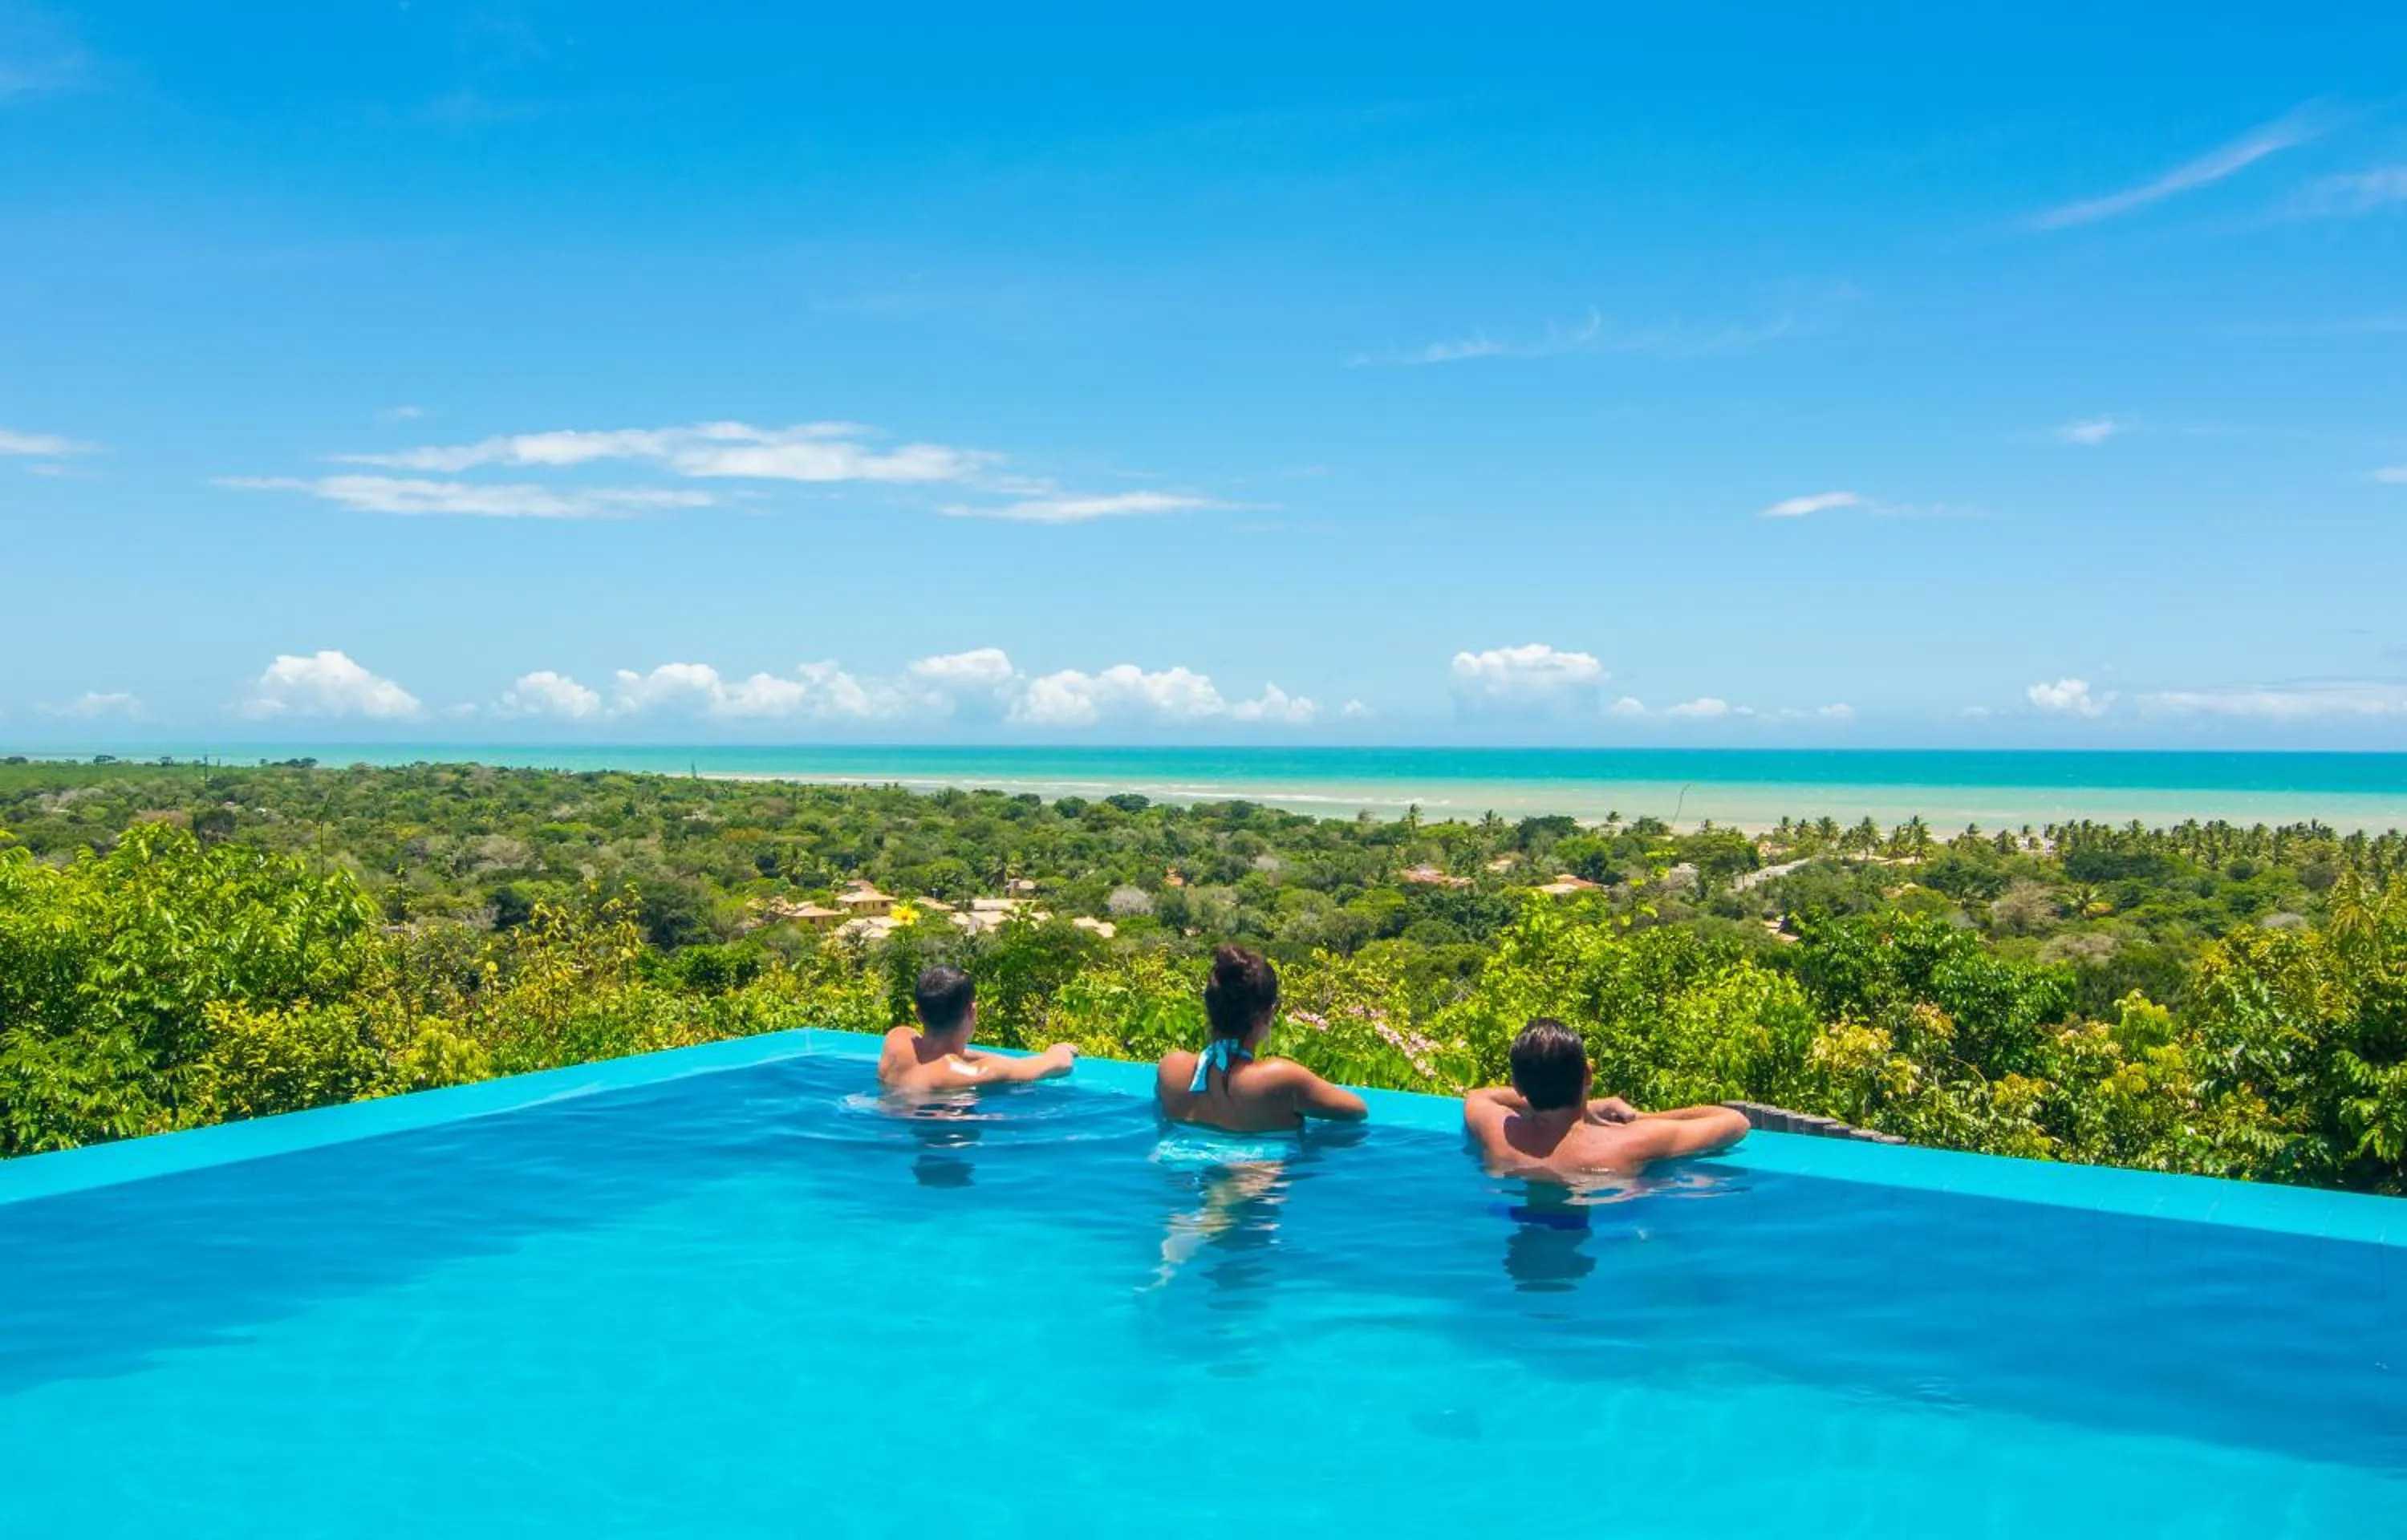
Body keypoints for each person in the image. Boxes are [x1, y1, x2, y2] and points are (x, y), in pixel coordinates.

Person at [1462, 1017, 1747, 1181]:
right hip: (1614, 1224)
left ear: (1518, 1086)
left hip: (1513, 1219)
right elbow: (1735, 1123)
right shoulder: (1631, 1141)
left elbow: (1479, 1095)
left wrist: (1590, 1108)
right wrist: (1640, 1119)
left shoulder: (1500, 1135)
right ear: (1587, 1075)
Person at [1154, 945, 1367, 1132]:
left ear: (1210, 1009)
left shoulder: (1171, 1068)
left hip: (1180, 1169)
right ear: (1267, 1015)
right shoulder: (1281, 1078)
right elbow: (1357, 1111)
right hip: (1253, 1172)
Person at [878, 965, 1078, 1096]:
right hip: (943, 1142)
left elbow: (947, 1054)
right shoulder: (976, 1073)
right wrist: (1062, 1048)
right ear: (972, 1011)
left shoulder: (897, 1039)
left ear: (919, 1014)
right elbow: (1060, 1064)